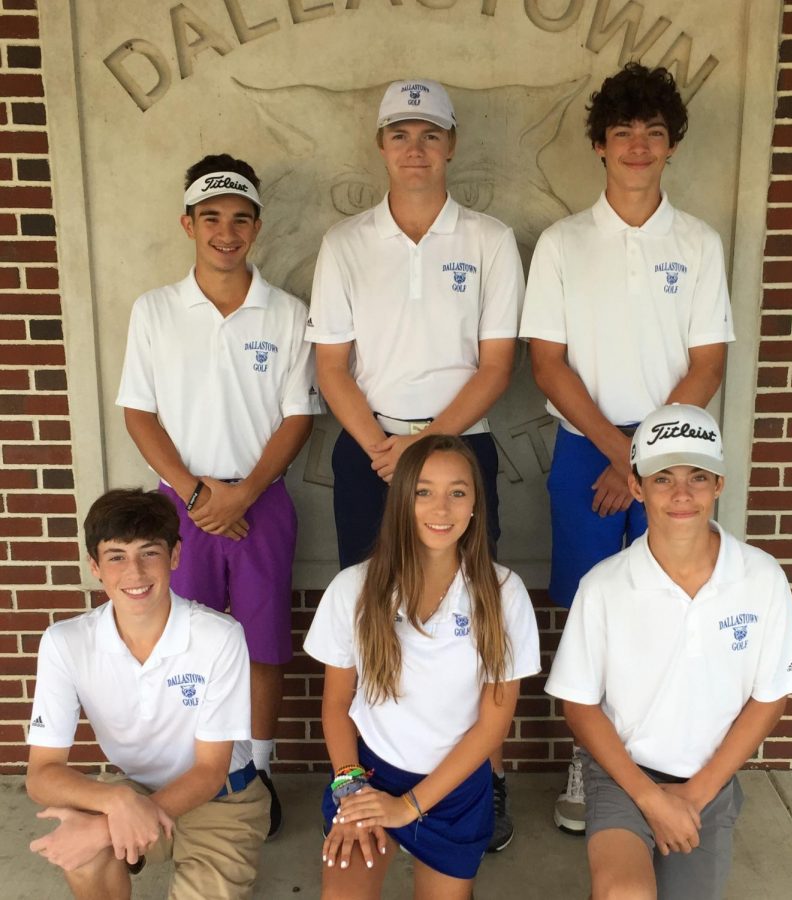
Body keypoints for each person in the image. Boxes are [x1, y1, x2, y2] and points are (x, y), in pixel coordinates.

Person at [306, 78, 524, 851]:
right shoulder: (345, 243)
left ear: (452, 145)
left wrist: (426, 447)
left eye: (430, 134)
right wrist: (381, 448)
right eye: (400, 134)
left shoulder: (490, 240)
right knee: (372, 609)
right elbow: (332, 365)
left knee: (476, 621)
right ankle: (362, 779)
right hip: (369, 450)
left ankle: (481, 784)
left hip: (463, 448)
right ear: (381, 147)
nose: (416, 148)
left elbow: (497, 366)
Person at [519, 62, 735, 833]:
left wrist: (646, 463)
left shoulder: (699, 242)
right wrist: (619, 455)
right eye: (622, 134)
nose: (638, 147)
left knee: (668, 601)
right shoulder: (563, 242)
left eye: (652, 133)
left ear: (671, 145)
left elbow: (707, 361)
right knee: (588, 604)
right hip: (587, 449)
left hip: (673, 462)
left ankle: (657, 752)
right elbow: (547, 361)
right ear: (600, 146)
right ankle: (590, 758)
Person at [117, 153, 321, 837]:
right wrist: (198, 492)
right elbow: (139, 412)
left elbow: (299, 415)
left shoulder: (288, 313)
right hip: (180, 503)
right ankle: (195, 769)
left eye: (239, 219)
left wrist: (243, 494)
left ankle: (256, 772)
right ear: (188, 224)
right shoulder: (156, 311)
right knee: (184, 640)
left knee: (263, 644)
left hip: (260, 498)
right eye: (211, 219)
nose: (225, 233)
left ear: (257, 227)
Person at [545, 404, 792, 899]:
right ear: (636, 487)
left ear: (720, 485)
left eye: (697, 477)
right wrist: (650, 797)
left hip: (708, 779)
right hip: (624, 774)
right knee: (625, 893)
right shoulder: (605, 585)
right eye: (663, 478)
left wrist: (696, 793)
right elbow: (578, 704)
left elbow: (771, 694)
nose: (682, 494)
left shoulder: (760, 577)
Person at [304, 434, 540, 897]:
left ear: (476, 504)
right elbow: (335, 705)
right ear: (400, 501)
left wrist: (409, 807)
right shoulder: (354, 587)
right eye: (423, 492)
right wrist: (351, 790)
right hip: (367, 774)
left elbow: (493, 725)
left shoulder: (503, 592)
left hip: (454, 787)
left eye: (458, 492)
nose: (441, 508)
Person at [26, 489, 269, 899]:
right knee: (86, 861)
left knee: (91, 839)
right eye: (116, 556)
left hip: (223, 799)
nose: (134, 572)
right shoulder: (64, 642)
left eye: (149, 552)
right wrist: (117, 800)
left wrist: (105, 823)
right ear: (95, 566)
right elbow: (42, 773)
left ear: (175, 556)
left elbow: (210, 770)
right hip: (137, 788)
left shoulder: (218, 636)